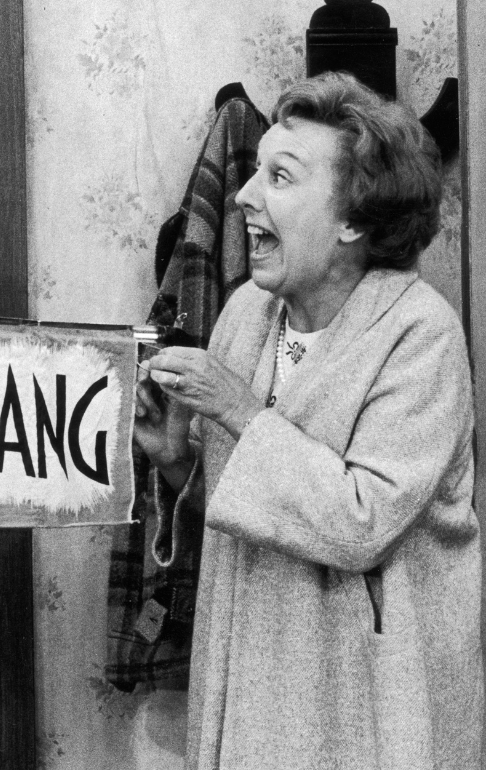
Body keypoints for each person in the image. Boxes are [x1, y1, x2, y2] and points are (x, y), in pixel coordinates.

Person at [134, 72, 482, 769]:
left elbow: (360, 523)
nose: (243, 195)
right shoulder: (245, 314)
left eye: (280, 176)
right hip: (251, 685)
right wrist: (175, 458)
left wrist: (235, 405)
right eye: (255, 171)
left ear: (353, 217)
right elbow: (252, 506)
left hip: (367, 704)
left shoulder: (421, 336)